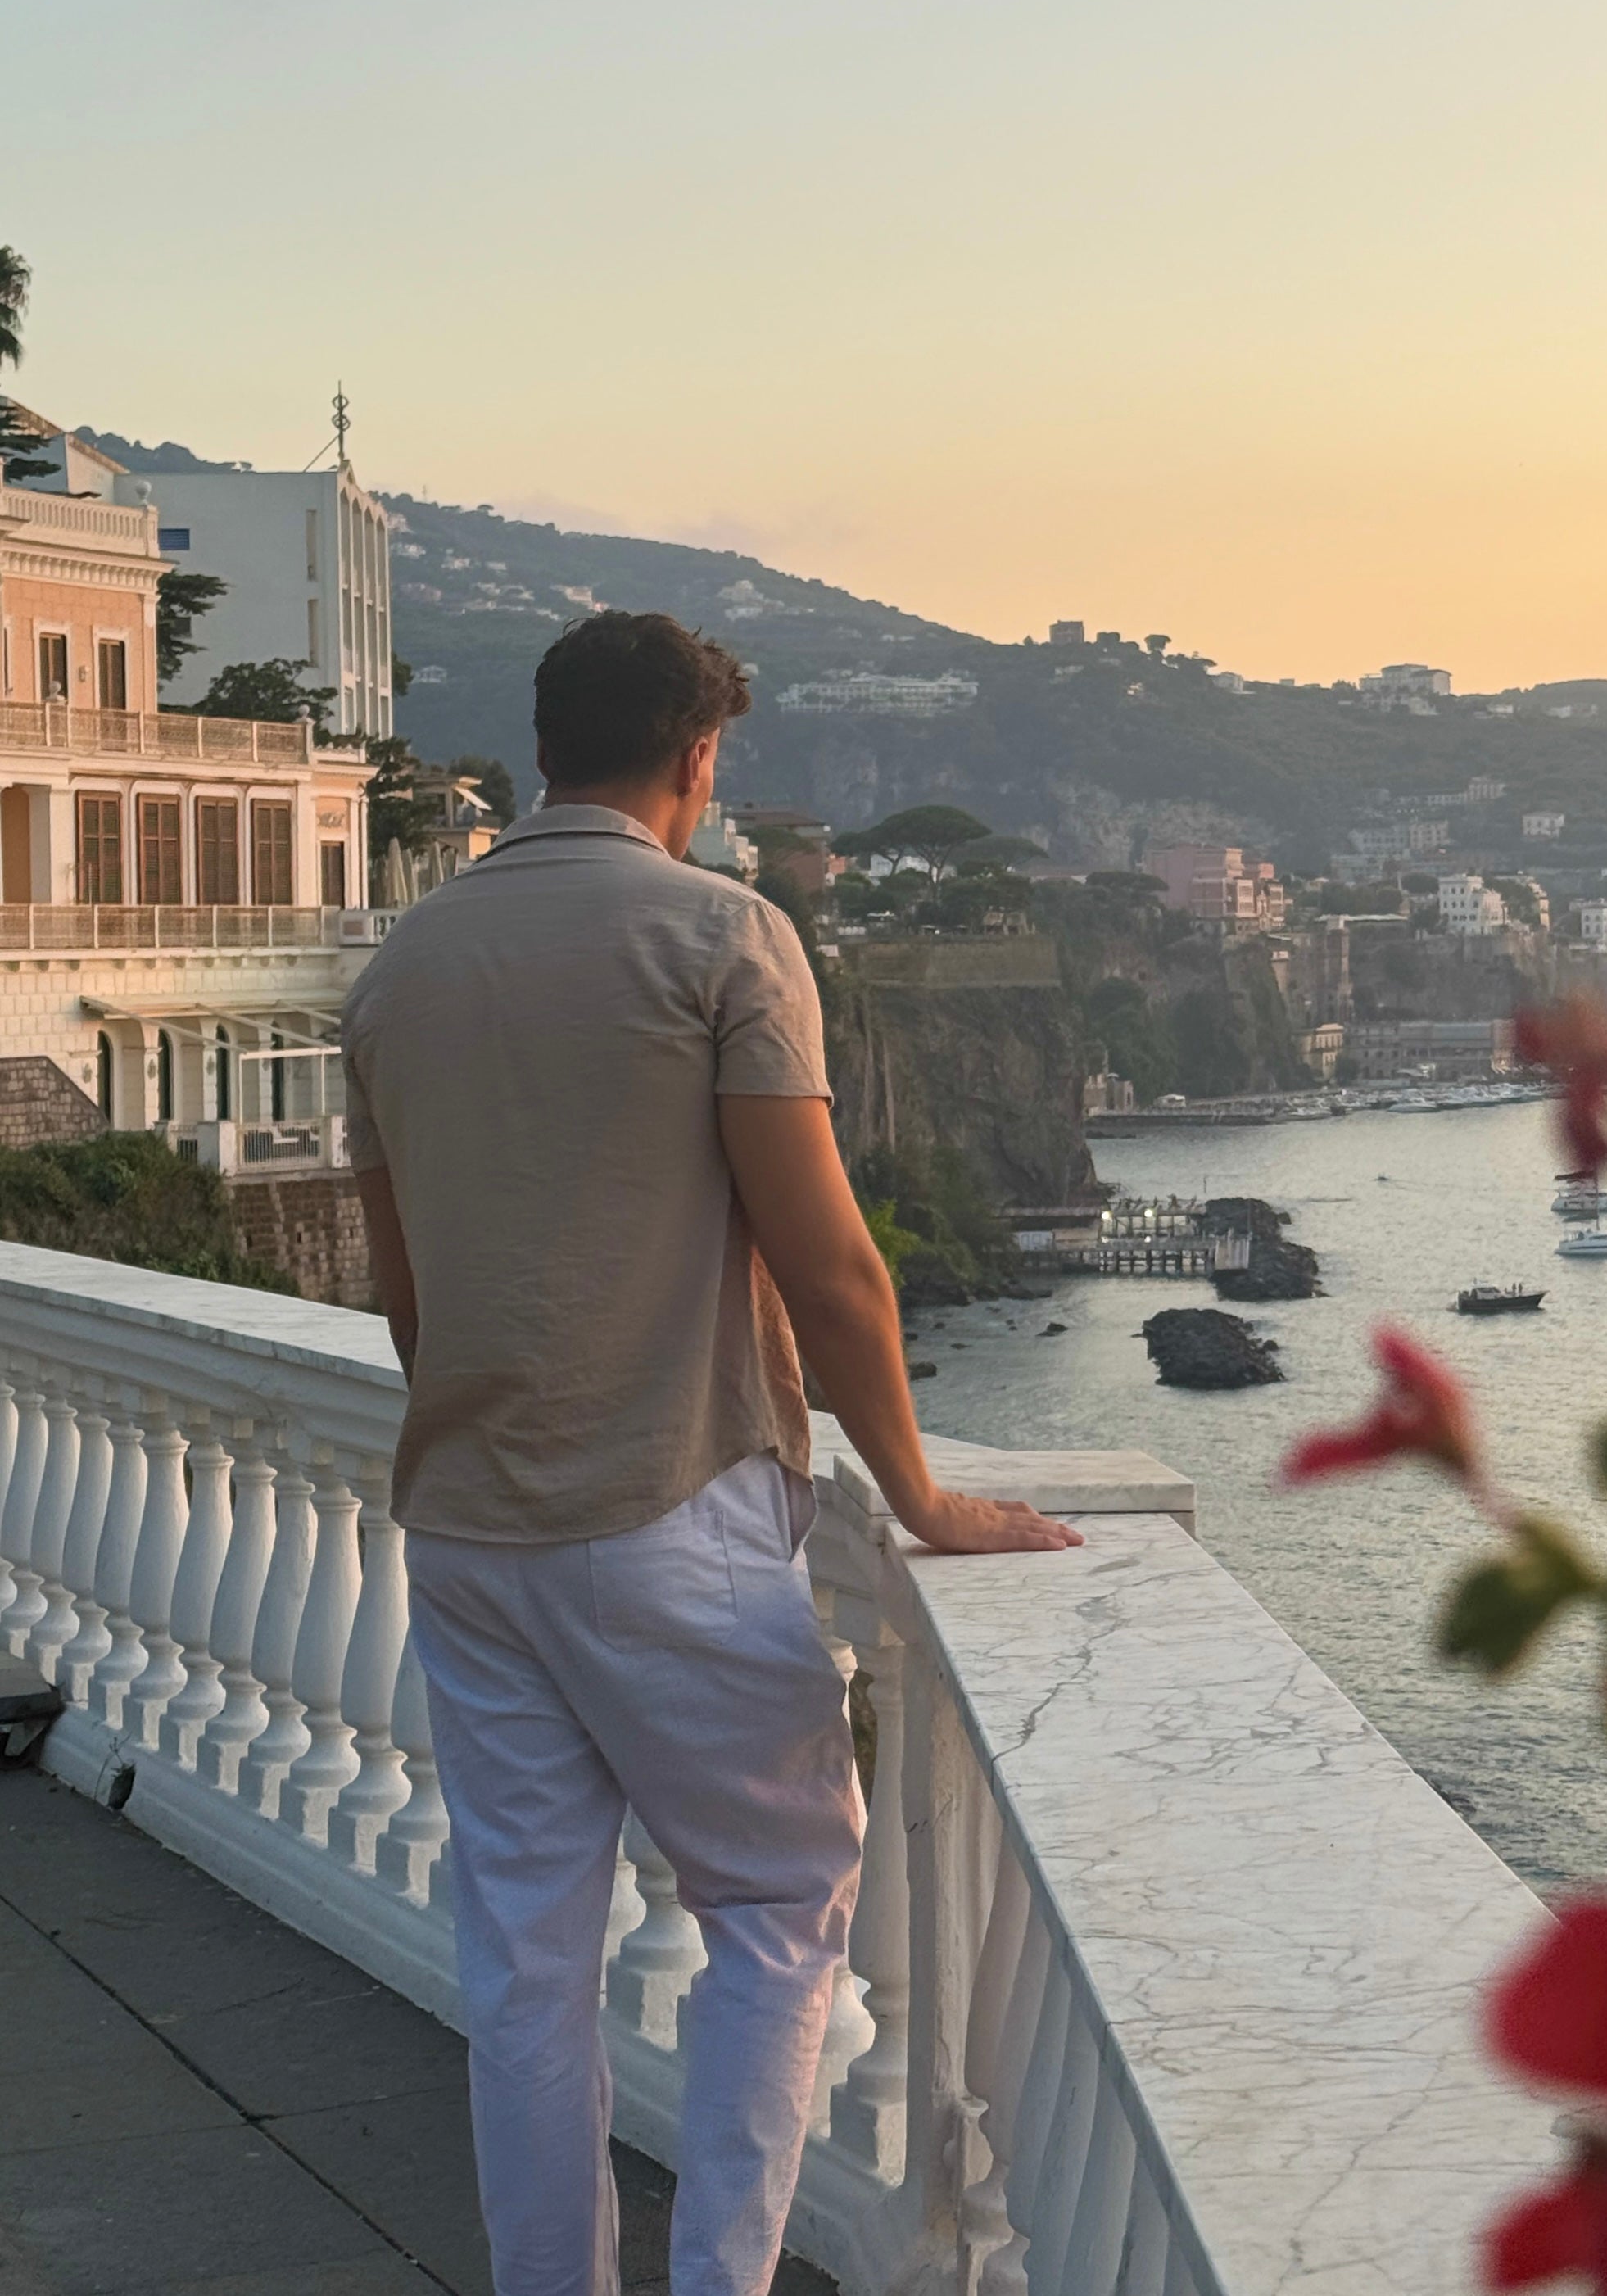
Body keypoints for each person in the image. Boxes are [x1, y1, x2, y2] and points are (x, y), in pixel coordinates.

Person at [342, 611, 1079, 2296]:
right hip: (667, 1507)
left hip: (467, 1525)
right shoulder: (720, 937)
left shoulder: (402, 968)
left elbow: (405, 1296)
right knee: (775, 1898)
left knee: (525, 1963)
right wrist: (920, 1492)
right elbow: (828, 1262)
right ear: (695, 757)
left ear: (544, 743)